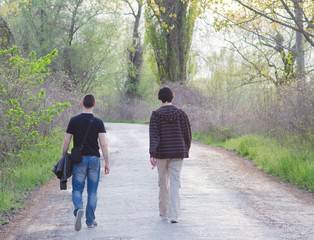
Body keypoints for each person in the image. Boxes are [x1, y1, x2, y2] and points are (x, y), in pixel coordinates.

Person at [62, 94, 110, 231]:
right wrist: (107, 162)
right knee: (92, 191)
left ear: (82, 103)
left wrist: (63, 156)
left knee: (77, 188)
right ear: (94, 105)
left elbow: (67, 141)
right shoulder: (98, 122)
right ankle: (90, 220)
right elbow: (104, 144)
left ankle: (78, 209)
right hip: (94, 160)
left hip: (79, 160)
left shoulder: (74, 120)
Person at [149, 86, 191, 223]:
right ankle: (173, 215)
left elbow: (154, 136)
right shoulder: (181, 114)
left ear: (160, 98)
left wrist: (152, 154)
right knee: (174, 183)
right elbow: (187, 134)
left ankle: (164, 213)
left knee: (163, 183)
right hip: (178, 152)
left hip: (161, 153)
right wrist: (186, 148)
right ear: (172, 97)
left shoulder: (156, 115)